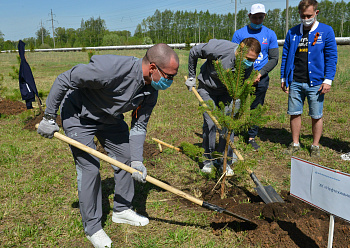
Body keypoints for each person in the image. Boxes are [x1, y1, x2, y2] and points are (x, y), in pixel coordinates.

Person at [37, 43, 179, 248]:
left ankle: (122, 209)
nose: (171, 81)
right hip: (79, 116)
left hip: (110, 119)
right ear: (153, 68)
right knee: (90, 168)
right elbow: (64, 79)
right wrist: (49, 117)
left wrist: (137, 161)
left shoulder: (151, 91)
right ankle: (93, 227)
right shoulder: (110, 69)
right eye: (169, 76)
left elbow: (139, 125)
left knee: (126, 159)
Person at [185, 38, 260, 175]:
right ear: (241, 49)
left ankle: (225, 161)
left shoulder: (248, 66)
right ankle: (208, 160)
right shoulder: (218, 48)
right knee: (210, 123)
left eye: (253, 60)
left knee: (228, 125)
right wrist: (191, 77)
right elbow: (193, 52)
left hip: (227, 92)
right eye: (248, 58)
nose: (250, 62)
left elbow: (240, 87)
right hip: (207, 88)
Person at [281, 0, 337, 157]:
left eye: (309, 15)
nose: (306, 18)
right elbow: (285, 56)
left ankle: (315, 145)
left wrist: (328, 80)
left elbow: (331, 57)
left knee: (316, 115)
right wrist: (283, 78)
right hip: (296, 81)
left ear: (316, 13)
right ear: (299, 13)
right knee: (294, 112)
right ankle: (295, 143)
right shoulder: (292, 32)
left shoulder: (326, 31)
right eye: (303, 15)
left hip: (316, 83)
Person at [231, 3, 279, 151]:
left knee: (256, 106)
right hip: (241, 76)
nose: (258, 21)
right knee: (236, 103)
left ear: (264, 16)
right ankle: (232, 131)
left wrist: (260, 73)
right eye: (255, 17)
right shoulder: (239, 34)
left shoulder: (270, 34)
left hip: (261, 77)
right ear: (249, 16)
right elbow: (233, 56)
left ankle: (251, 136)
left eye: (261, 17)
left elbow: (274, 58)